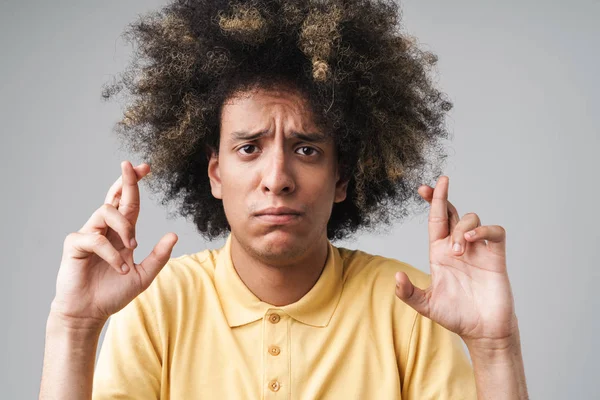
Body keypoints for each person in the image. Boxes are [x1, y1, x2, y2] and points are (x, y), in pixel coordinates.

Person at [39, 0, 529, 399]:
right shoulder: (156, 306)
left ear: (341, 179)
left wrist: (494, 347)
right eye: (249, 148)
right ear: (215, 174)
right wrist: (74, 327)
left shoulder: (412, 305)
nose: (277, 178)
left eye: (307, 149)